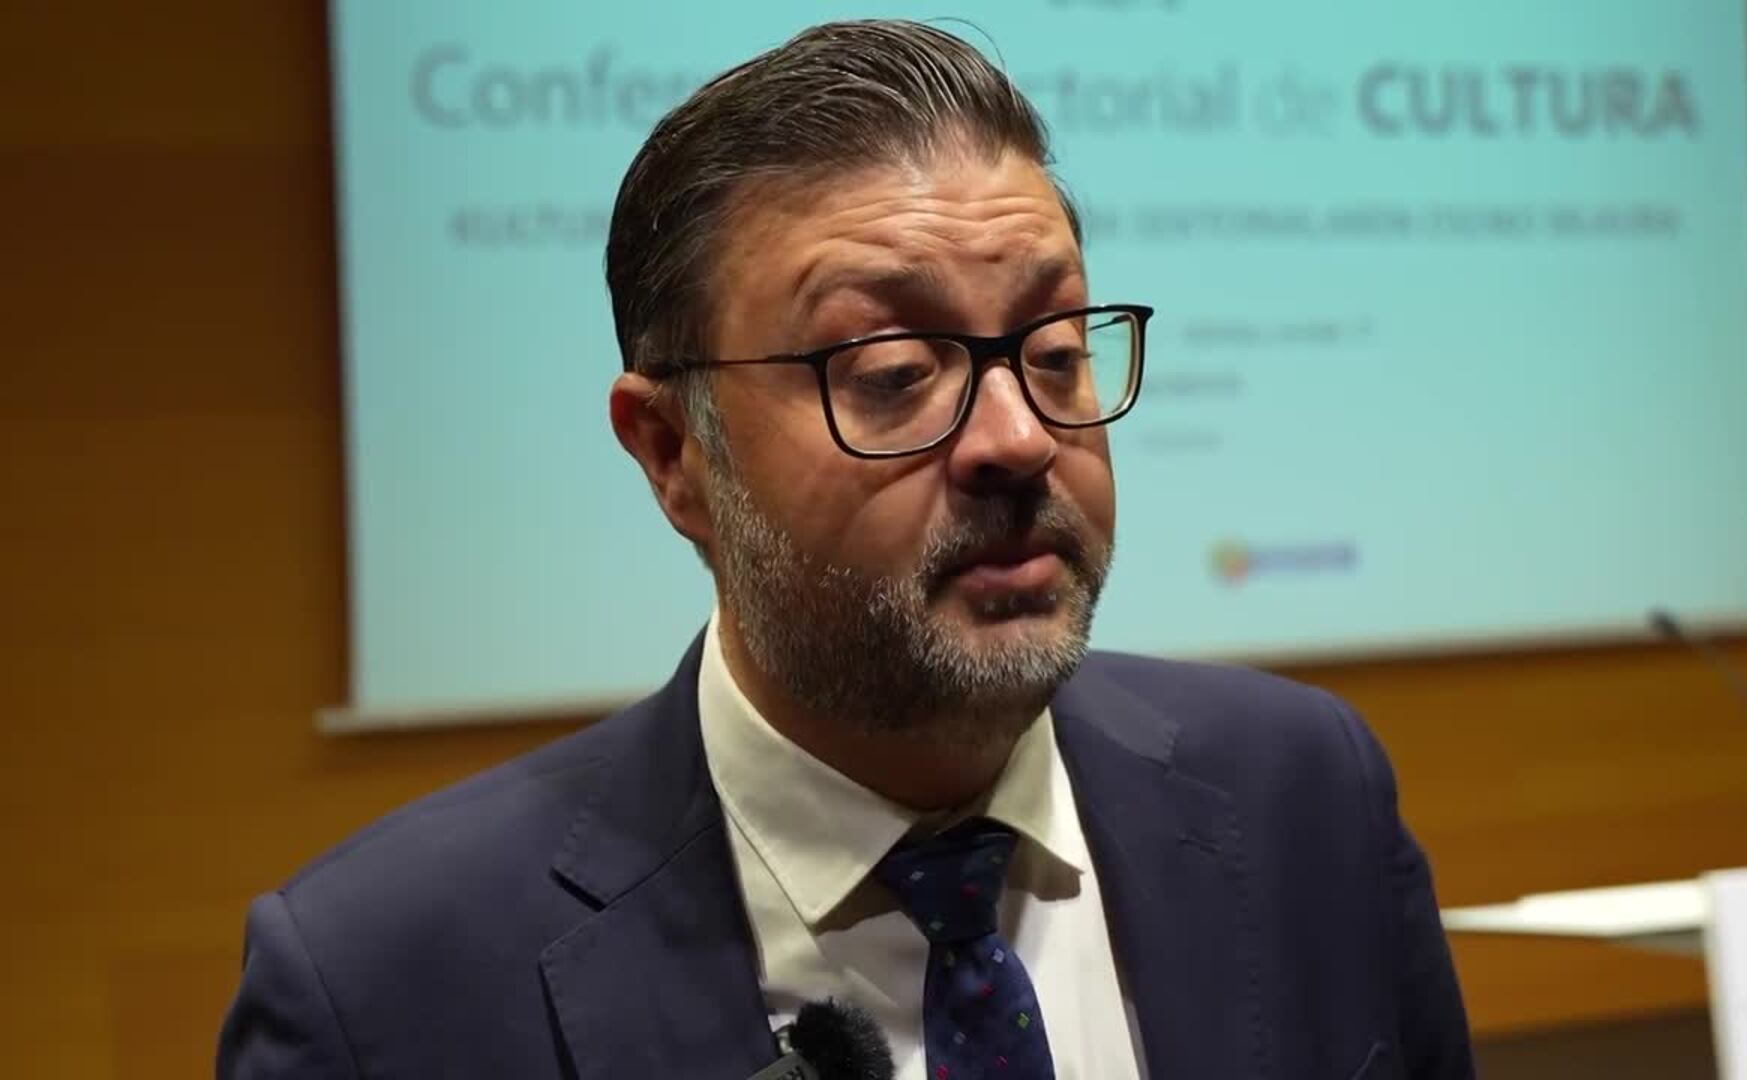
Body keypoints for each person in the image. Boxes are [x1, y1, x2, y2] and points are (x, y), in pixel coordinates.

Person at [218, 19, 1473, 1079]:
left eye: (1055, 352)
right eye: (894, 372)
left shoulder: (1306, 793)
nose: (1018, 439)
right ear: (672, 453)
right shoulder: (380, 991)